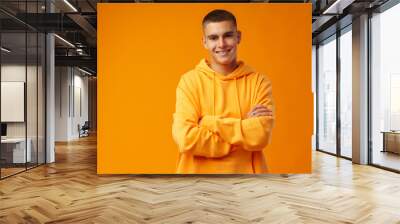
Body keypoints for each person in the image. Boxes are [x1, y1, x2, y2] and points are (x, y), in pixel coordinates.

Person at [172, 9, 274, 174]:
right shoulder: (189, 81)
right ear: (204, 42)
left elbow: (260, 135)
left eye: (227, 35)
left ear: (238, 37)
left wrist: (207, 123)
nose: (221, 44)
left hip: (247, 184)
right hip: (195, 183)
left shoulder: (258, 82)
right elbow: (185, 138)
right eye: (213, 38)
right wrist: (241, 135)